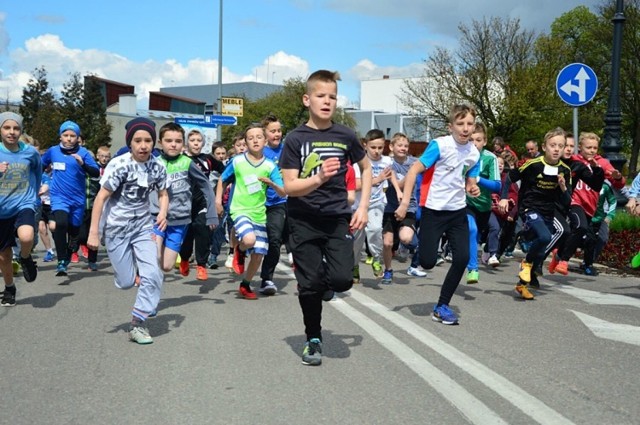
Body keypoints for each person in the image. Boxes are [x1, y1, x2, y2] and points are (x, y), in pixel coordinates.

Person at [280, 70, 372, 365]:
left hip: (336, 218)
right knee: (309, 286)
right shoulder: (295, 139)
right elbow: (291, 187)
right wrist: (318, 178)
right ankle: (313, 339)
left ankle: (319, 276)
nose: (327, 101)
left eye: (332, 96)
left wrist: (362, 206)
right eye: (321, 95)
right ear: (307, 99)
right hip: (302, 219)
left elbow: (367, 169)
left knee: (343, 280)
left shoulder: (345, 135)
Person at [395, 104, 481, 325]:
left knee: (461, 258)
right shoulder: (440, 145)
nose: (465, 128)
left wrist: (472, 188)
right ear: (450, 126)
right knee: (428, 262)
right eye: (460, 124)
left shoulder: (474, 152)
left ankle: (442, 306)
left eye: (469, 124)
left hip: (457, 211)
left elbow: (470, 180)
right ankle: (410, 232)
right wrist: (405, 203)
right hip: (433, 210)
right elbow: (414, 170)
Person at [87, 117, 168, 344]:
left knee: (153, 273)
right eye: (138, 140)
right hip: (116, 228)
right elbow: (101, 198)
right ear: (130, 143)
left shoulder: (158, 166)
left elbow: (163, 193)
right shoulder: (119, 165)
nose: (143, 145)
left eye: (148, 140)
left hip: (142, 226)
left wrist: (162, 212)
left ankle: (138, 324)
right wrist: (94, 232)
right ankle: (131, 270)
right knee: (125, 282)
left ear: (154, 142)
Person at [498, 127, 572, 300]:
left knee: (540, 248)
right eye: (553, 145)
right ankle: (527, 263)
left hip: (547, 211)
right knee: (545, 237)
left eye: (560, 146)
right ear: (544, 147)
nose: (556, 149)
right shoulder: (533, 164)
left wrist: (562, 187)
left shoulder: (565, 170)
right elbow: (510, 178)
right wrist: (503, 198)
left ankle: (521, 285)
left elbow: (567, 200)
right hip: (529, 208)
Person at [217, 123, 285, 299]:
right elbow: (222, 179)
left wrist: (272, 184)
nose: (255, 140)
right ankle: (239, 249)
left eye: (258, 137)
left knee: (259, 253)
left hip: (259, 214)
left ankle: (245, 285)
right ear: (245, 142)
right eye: (250, 138)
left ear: (265, 140)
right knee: (249, 239)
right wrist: (218, 201)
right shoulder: (237, 161)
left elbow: (283, 191)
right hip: (240, 210)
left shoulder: (270, 166)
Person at [549, 132, 620, 276]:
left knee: (580, 234)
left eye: (595, 148)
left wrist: (617, 177)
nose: (592, 151)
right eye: (589, 147)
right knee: (579, 228)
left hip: (591, 207)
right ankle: (564, 261)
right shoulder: (574, 160)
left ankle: (559, 255)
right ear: (580, 147)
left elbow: (617, 181)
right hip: (575, 202)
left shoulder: (603, 163)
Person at [153, 123, 217, 275]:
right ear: (160, 142)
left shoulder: (188, 163)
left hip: (180, 220)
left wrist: (212, 214)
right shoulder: (155, 163)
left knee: (167, 266)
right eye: (169, 141)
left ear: (183, 143)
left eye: (178, 141)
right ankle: (147, 289)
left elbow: (206, 186)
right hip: (157, 219)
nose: (173, 144)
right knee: (153, 257)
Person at [41, 121, 100, 277]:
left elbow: (95, 173)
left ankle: (70, 250)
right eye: (65, 135)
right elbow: (40, 166)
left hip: (77, 200)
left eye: (72, 136)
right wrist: (39, 182)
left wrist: (83, 165)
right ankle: (61, 261)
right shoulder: (53, 151)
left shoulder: (84, 153)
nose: (68, 139)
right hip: (59, 196)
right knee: (60, 223)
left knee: (77, 234)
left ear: (77, 137)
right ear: (60, 136)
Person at [0, 112, 41, 306]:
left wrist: (34, 197)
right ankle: (9, 288)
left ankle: (25, 257)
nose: (12, 132)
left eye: (16, 128)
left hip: (23, 203)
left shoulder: (30, 152)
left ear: (21, 131)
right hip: (1, 210)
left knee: (26, 237)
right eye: (7, 128)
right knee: (4, 256)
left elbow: (38, 172)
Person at [353, 129, 400, 284]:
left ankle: (376, 258)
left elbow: (391, 173)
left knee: (374, 230)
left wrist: (398, 190)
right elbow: (357, 185)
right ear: (365, 145)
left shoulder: (386, 161)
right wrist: (377, 179)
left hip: (377, 202)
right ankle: (354, 266)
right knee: (356, 240)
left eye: (380, 147)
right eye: (373, 147)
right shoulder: (358, 162)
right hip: (359, 206)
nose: (377, 151)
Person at [178, 129, 224, 281]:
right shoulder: (181, 159)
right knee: (187, 234)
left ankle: (201, 266)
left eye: (199, 140)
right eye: (192, 140)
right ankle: (184, 258)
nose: (196, 143)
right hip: (184, 203)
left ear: (203, 143)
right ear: (187, 143)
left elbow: (226, 172)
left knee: (202, 228)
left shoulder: (208, 159)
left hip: (202, 201)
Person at [381, 132, 423, 282]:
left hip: (409, 207)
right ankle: (388, 270)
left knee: (406, 238)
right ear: (391, 147)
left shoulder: (414, 162)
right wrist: (410, 175)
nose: (403, 148)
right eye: (400, 145)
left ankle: (403, 246)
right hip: (389, 207)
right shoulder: (387, 162)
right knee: (387, 243)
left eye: (406, 146)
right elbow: (397, 183)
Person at [465, 122, 501, 284]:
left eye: (478, 140)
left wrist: (478, 180)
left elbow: (497, 186)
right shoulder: (463, 155)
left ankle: (464, 253)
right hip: (466, 203)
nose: (474, 143)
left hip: (484, 206)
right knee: (471, 230)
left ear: (485, 141)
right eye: (471, 139)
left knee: (477, 236)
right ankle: (473, 269)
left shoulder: (490, 158)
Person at [258, 114, 288, 295]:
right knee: (274, 240)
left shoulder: (288, 150)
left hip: (285, 200)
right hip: (264, 202)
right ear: (265, 134)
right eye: (273, 131)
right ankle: (267, 279)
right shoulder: (260, 152)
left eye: (279, 131)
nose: (277, 134)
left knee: (285, 238)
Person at [77, 145, 111, 271]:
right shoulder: (78, 172)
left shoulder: (96, 173)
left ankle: (92, 261)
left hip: (94, 206)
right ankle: (77, 247)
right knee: (81, 236)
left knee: (94, 233)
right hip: (79, 206)